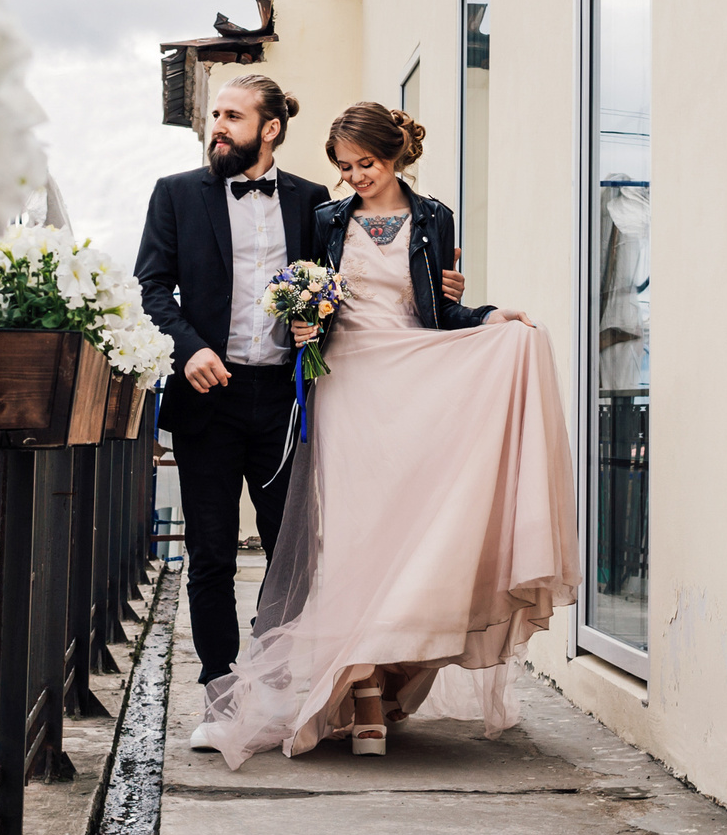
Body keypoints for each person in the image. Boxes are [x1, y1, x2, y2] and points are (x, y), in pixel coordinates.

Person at [196, 101, 576, 765]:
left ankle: (386, 674)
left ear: (394, 155)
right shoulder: (325, 219)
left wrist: (488, 317)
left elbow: (440, 305)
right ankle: (364, 691)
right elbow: (302, 296)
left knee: (405, 527)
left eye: (364, 164)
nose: (353, 178)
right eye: (343, 168)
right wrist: (302, 324)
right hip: (347, 383)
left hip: (413, 378)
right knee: (351, 533)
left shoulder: (434, 217)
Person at [134, 78, 468, 691]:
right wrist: (190, 349)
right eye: (215, 114)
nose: (217, 125)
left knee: (291, 555)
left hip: (291, 401)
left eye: (232, 115)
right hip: (206, 397)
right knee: (209, 554)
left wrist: (437, 290)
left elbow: (358, 283)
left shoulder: (317, 204)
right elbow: (152, 288)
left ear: (270, 128)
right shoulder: (175, 195)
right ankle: (217, 685)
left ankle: (271, 680)